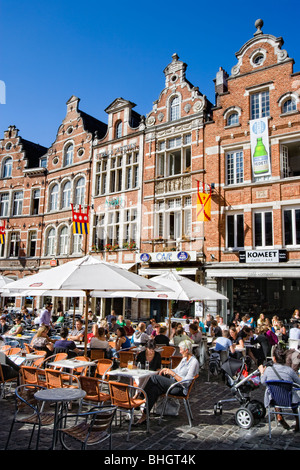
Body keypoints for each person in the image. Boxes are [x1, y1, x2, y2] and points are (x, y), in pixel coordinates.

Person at [134, 340, 199, 425]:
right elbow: (176, 370)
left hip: (180, 388)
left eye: (181, 349)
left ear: (186, 350)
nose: (179, 351)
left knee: (154, 378)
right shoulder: (184, 359)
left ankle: (141, 396)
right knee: (154, 389)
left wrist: (173, 373)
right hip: (174, 383)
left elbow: (186, 382)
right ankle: (144, 416)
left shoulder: (194, 362)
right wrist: (167, 370)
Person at [259, 345, 300, 431]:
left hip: (274, 400)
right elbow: (298, 383)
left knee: (275, 391)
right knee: (292, 393)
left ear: (274, 358)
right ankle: (297, 421)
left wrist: (262, 372)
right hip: (289, 400)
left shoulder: (268, 370)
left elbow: (263, 382)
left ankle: (279, 415)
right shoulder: (289, 370)